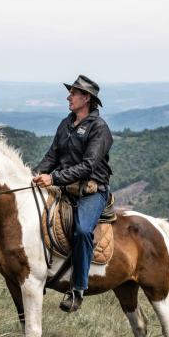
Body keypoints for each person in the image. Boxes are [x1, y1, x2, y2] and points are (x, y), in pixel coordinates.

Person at [33, 74, 114, 313]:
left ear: (86, 98)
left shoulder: (99, 128)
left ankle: (78, 289)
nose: (69, 97)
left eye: (74, 93)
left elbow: (88, 165)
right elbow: (52, 155)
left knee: (81, 231)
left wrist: (53, 178)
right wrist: (36, 174)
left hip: (91, 192)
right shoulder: (66, 123)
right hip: (65, 189)